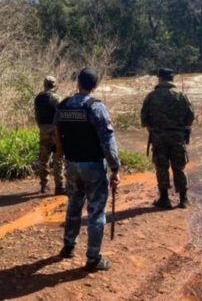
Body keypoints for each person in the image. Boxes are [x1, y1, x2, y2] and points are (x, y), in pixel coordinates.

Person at [54, 68, 121, 271]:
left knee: (74, 205)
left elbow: (58, 134)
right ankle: (93, 258)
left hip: (72, 164)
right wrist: (115, 168)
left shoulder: (63, 105)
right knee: (96, 212)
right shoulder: (96, 107)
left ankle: (68, 246)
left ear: (78, 84)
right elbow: (107, 141)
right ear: (95, 86)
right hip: (93, 166)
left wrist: (62, 156)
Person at [141, 68, 194, 209]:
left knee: (161, 167)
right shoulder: (181, 95)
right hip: (178, 137)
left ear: (159, 78)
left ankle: (164, 199)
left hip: (159, 137)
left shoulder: (152, 96)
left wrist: (153, 128)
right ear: (172, 79)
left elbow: (144, 119)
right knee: (179, 167)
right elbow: (190, 118)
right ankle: (183, 199)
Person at [34, 76, 65, 195]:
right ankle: (59, 186)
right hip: (55, 131)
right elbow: (62, 114)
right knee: (58, 158)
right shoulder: (55, 97)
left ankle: (44, 185)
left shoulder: (38, 97)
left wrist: (41, 127)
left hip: (43, 130)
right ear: (54, 85)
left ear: (44, 84)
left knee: (44, 158)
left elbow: (36, 115)